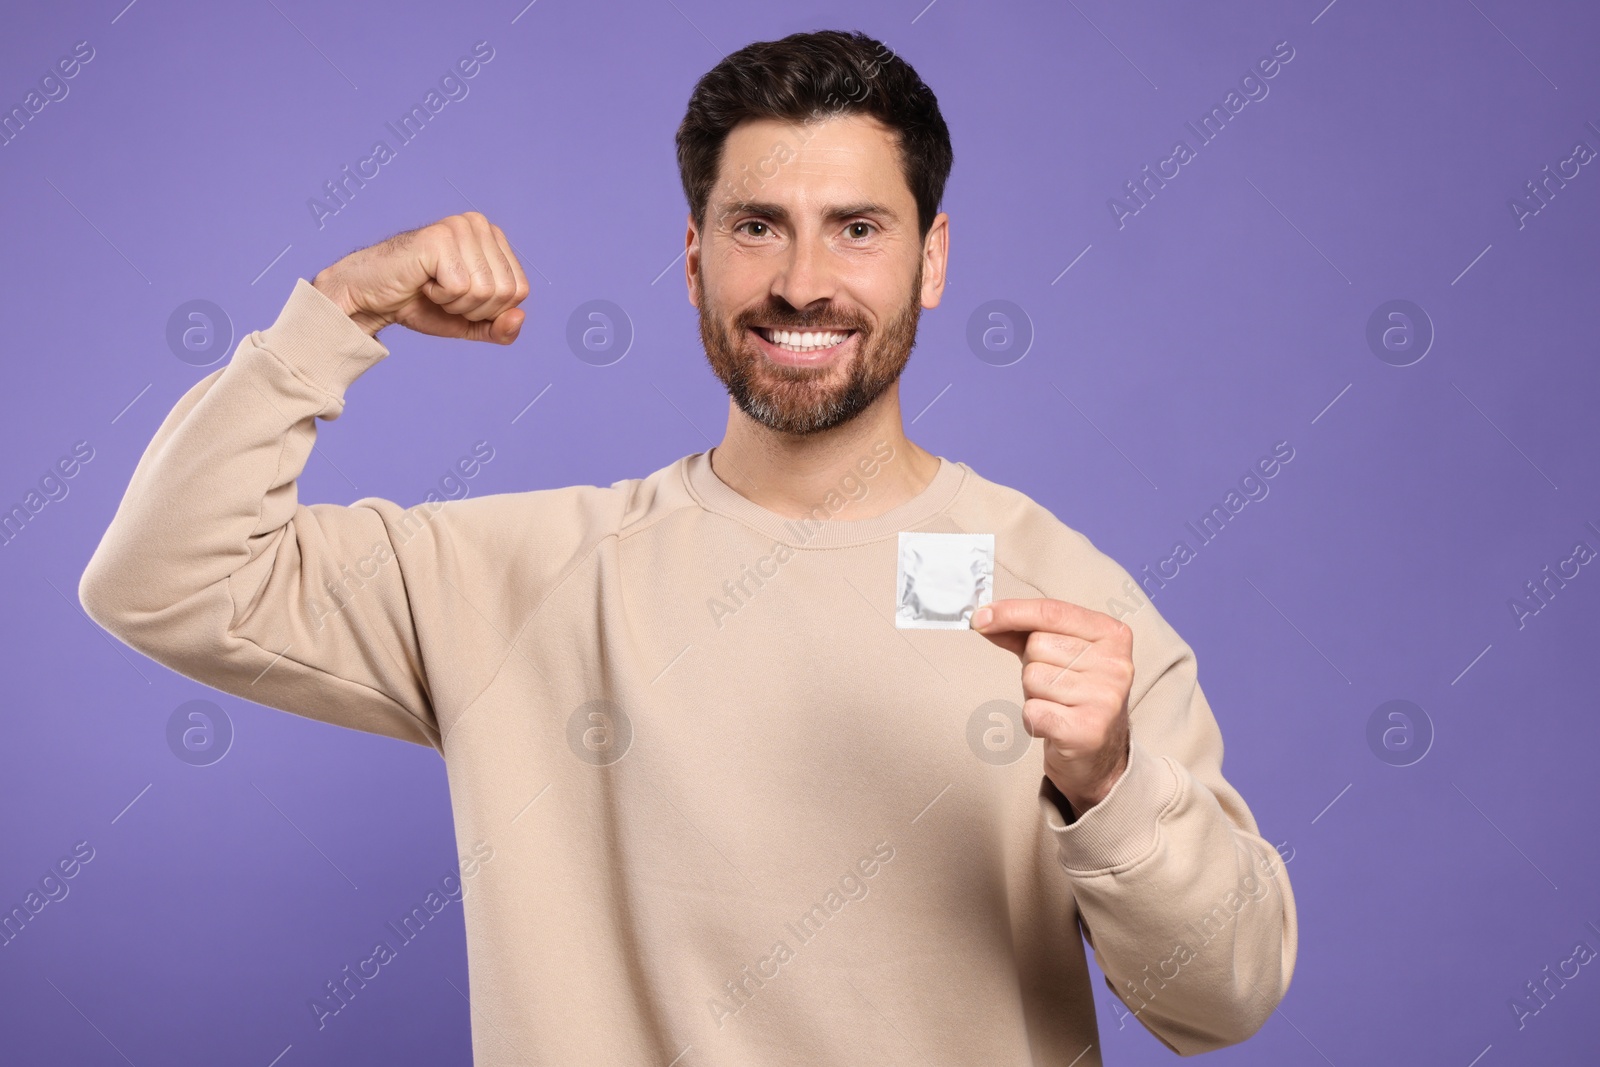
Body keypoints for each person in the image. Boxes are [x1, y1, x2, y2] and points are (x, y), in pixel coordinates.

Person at [80, 28, 1295, 1066]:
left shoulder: (1070, 601)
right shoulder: (515, 577)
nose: (803, 282)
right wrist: (336, 311)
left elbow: (1223, 996)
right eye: (757, 226)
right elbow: (163, 578)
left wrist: (1111, 784)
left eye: (857, 227)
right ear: (694, 257)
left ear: (931, 261)